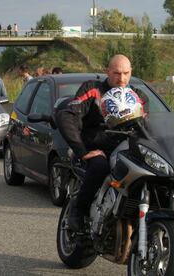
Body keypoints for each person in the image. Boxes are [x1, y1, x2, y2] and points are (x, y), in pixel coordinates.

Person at [55, 55, 149, 231]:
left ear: (131, 72)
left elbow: (149, 125)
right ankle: (78, 209)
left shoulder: (139, 96)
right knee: (99, 167)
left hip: (127, 150)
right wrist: (82, 151)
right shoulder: (93, 89)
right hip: (95, 149)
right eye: (117, 73)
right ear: (108, 72)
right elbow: (67, 115)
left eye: (126, 73)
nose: (122, 78)